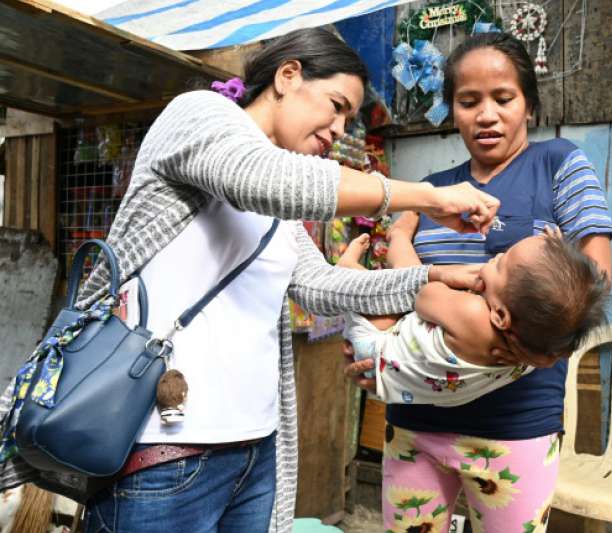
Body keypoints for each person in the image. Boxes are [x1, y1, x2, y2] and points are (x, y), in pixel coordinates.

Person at [0, 28, 500, 533]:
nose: (339, 127)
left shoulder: (282, 201)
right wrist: (429, 197)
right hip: (165, 453)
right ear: (288, 76)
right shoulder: (199, 117)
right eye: (336, 104)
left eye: (349, 117)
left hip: (255, 452)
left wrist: (430, 277)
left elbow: (318, 286)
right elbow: (267, 179)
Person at [344, 33, 612, 533]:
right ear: (453, 111)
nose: (486, 115)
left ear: (529, 106)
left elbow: (593, 277)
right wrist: (381, 356)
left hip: (513, 427)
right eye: (468, 102)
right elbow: (405, 287)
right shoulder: (435, 190)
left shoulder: (557, 164)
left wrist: (506, 337)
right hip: (416, 418)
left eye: (503, 98)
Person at [339, 228, 609, 407]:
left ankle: (357, 262)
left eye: (500, 265)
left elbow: (420, 292)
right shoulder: (536, 350)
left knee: (403, 278)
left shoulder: (474, 316)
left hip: (376, 350)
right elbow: (563, 310)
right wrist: (556, 259)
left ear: (501, 315)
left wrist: (456, 280)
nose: (496, 256)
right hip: (401, 384)